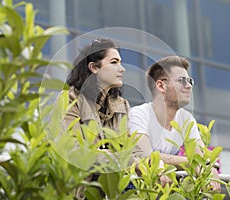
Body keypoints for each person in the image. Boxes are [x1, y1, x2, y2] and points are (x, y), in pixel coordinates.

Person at [129, 55, 220, 191]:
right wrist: (189, 162)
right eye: (182, 80)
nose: (189, 86)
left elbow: (201, 158)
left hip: (166, 188)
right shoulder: (138, 114)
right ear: (161, 85)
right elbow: (145, 156)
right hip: (137, 190)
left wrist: (210, 170)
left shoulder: (186, 119)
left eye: (190, 81)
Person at [63, 38, 129, 199]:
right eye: (114, 62)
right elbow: (74, 152)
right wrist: (116, 158)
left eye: (120, 62)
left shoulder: (122, 106)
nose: (122, 69)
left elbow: (129, 150)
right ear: (94, 68)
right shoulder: (70, 100)